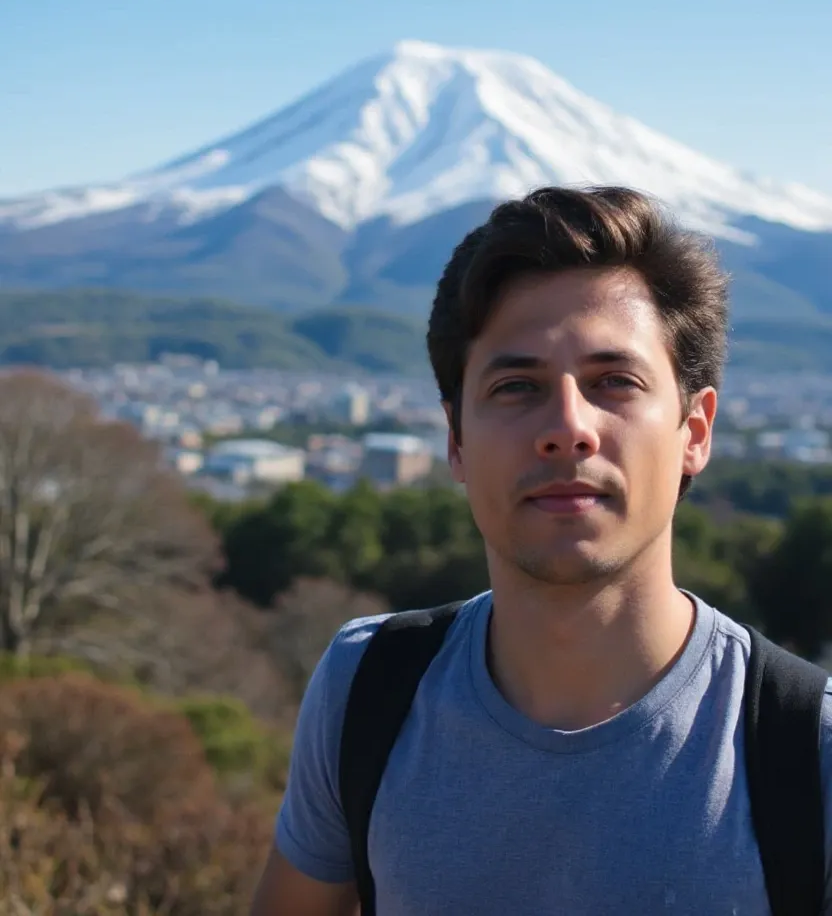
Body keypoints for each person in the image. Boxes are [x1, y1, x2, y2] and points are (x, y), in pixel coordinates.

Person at [250, 185, 832, 916]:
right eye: (516, 386)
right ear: (455, 439)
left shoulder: (808, 752)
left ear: (695, 431)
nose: (567, 426)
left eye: (614, 382)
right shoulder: (365, 691)